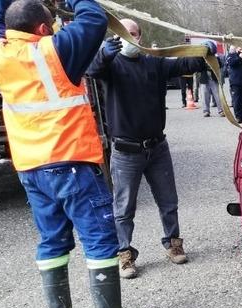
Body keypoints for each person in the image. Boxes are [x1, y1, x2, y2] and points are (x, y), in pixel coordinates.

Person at [0, 0, 145, 308]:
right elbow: (93, 16)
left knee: (51, 240)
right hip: (71, 161)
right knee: (100, 238)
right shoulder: (57, 51)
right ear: (43, 29)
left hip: (31, 168)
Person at [86, 19, 212, 279]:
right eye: (122, 33)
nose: (128, 38)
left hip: (157, 148)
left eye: (132, 33)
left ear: (140, 37)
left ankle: (173, 243)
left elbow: (184, 64)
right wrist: (104, 55)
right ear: (114, 37)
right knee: (124, 208)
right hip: (125, 152)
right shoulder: (111, 65)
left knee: (168, 202)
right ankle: (125, 254)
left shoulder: (154, 62)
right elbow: (93, 69)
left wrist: (205, 50)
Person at [225, 45, 242, 123]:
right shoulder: (231, 56)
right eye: (239, 48)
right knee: (237, 101)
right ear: (235, 49)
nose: (241, 49)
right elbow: (231, 63)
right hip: (236, 83)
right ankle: (238, 116)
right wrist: (240, 58)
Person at [199, 42, 222, 117]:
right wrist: (205, 63)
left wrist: (213, 63)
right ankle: (206, 111)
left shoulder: (215, 57)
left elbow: (220, 65)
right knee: (205, 96)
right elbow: (198, 67)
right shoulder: (201, 58)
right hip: (204, 79)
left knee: (217, 95)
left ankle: (221, 110)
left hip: (213, 78)